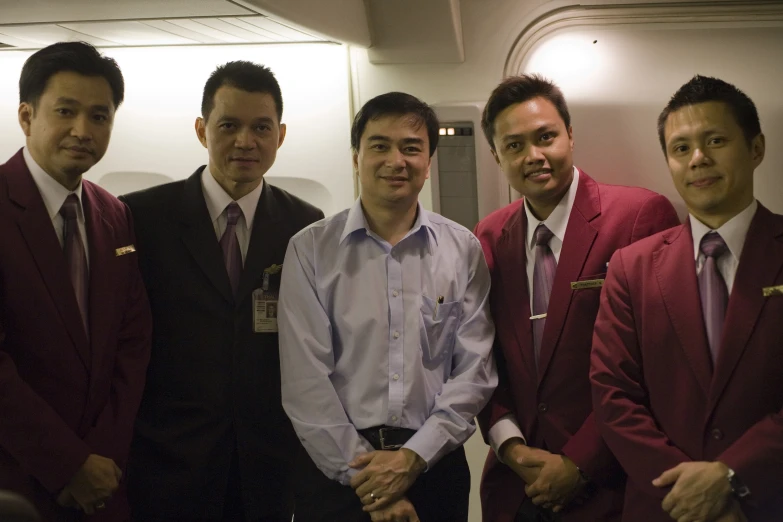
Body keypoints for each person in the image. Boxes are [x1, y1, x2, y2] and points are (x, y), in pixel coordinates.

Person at [278, 92, 497, 522]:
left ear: (428, 161)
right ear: (357, 158)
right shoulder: (312, 249)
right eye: (379, 145)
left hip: (434, 468)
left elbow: (476, 370)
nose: (396, 160)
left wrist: (414, 457)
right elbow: (305, 380)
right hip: (336, 473)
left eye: (411, 148)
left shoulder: (462, 249)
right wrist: (370, 482)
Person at [121, 61, 323, 522]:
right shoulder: (142, 218)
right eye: (229, 125)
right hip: (167, 462)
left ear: (281, 135)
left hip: (269, 467)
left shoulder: (306, 227)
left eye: (261, 127)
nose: (245, 141)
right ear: (201, 129)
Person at [473, 74, 680, 522]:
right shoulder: (489, 235)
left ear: (569, 134)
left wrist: (580, 463)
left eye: (545, 136)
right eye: (514, 146)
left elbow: (659, 365)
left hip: (610, 485)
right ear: (496, 156)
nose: (534, 156)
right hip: (517, 488)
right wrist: (510, 447)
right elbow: (483, 356)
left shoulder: (640, 216)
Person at [591, 75, 783, 522]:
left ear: (756, 149)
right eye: (681, 149)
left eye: (715, 140)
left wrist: (732, 476)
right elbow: (613, 396)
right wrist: (688, 492)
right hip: (665, 506)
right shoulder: (631, 268)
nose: (698, 159)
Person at [0, 41, 152, 521]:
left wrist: (100, 459)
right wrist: (68, 464)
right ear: (27, 116)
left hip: (103, 480)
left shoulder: (114, 214)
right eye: (65, 111)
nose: (83, 131)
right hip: (18, 480)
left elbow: (131, 341)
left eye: (100, 116)